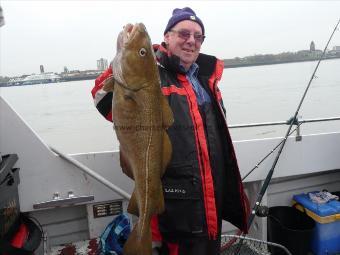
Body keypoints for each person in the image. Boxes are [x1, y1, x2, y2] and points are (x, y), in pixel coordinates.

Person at [91, 7, 249, 255]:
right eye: (183, 33)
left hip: (210, 205)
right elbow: (102, 100)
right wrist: (125, 55)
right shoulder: (153, 78)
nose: (191, 41)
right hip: (175, 212)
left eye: (198, 36)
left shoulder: (207, 81)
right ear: (166, 37)